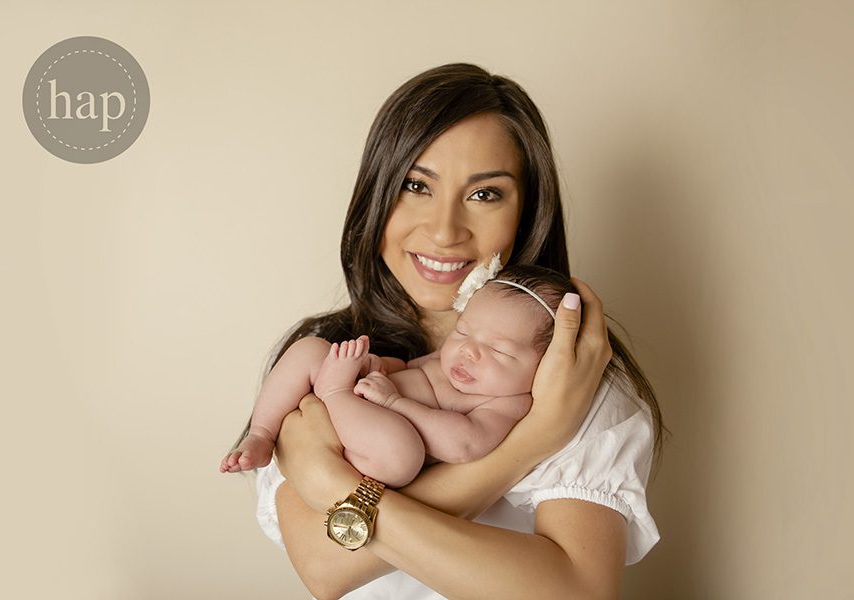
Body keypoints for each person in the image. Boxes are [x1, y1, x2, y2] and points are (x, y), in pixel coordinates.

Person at [224, 63, 666, 599]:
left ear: (526, 213)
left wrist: (334, 485)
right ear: (376, 194)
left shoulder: (572, 383)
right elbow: (323, 566)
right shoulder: (334, 357)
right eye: (416, 185)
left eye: (485, 195)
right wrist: (531, 442)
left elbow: (576, 592)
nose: (444, 230)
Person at [221, 264, 577, 488]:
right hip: (359, 399)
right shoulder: (453, 358)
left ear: (546, 364)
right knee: (313, 349)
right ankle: (261, 433)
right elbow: (412, 369)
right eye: (465, 332)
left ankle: (334, 393)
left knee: (403, 455)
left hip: (372, 441)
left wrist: (394, 401)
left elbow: (464, 444)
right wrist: (378, 366)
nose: (469, 351)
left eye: (499, 350)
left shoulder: (509, 403)